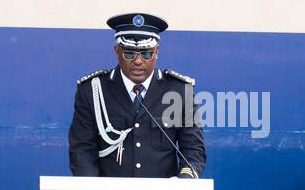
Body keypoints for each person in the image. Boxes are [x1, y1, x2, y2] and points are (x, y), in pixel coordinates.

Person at [68, 12, 205, 178]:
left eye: (146, 53)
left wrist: (184, 182)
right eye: (129, 53)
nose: (138, 61)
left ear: (157, 52)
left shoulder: (178, 91)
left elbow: (193, 150)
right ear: (116, 51)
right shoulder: (92, 90)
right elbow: (82, 151)